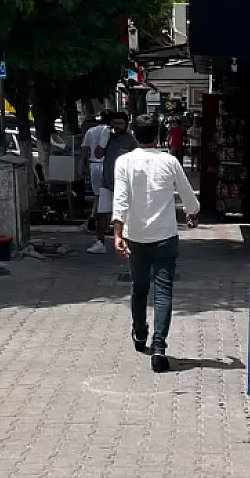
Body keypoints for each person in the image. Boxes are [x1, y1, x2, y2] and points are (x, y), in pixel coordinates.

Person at [113, 114, 200, 372]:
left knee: (139, 288)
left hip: (135, 237)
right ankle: (159, 347)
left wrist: (117, 233)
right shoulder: (170, 162)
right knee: (163, 292)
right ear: (159, 135)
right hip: (165, 237)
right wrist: (192, 212)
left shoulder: (124, 162)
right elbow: (188, 196)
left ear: (133, 134)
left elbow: (120, 199)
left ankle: (140, 333)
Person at [90, 112, 135, 254]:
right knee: (102, 214)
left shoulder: (131, 142)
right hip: (106, 182)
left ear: (126, 125)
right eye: (114, 123)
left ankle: (127, 242)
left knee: (124, 215)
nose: (117, 126)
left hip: (124, 184)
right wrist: (103, 141)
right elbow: (98, 154)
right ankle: (100, 242)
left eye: (120, 123)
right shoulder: (108, 138)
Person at [82, 111, 112, 241]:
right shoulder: (110, 132)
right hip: (107, 165)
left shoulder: (91, 131)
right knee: (107, 194)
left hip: (93, 164)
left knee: (98, 195)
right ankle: (105, 224)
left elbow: (85, 150)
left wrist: (83, 166)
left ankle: (94, 218)